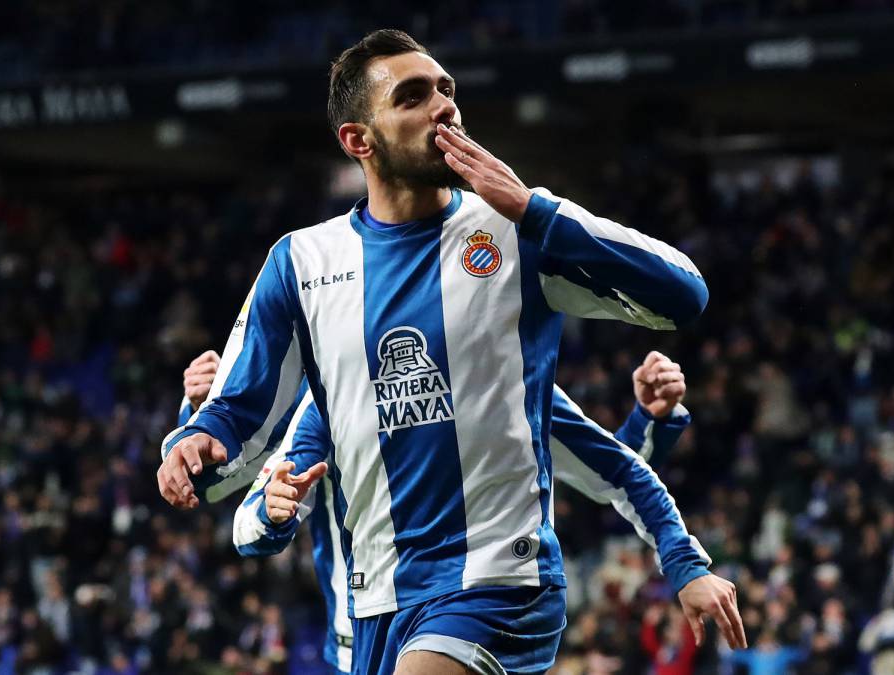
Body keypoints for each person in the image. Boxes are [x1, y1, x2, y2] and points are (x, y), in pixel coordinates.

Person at [158, 29, 743, 673]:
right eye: (412, 97)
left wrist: (532, 208)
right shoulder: (301, 264)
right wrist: (192, 440)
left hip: (498, 585)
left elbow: (682, 294)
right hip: (373, 610)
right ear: (359, 140)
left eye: (446, 90)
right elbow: (233, 429)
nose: (443, 107)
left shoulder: (515, 231)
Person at [180, 349, 700, 674]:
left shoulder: (504, 371)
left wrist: (647, 427)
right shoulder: (326, 396)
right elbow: (222, 496)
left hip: (476, 618)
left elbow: (610, 469)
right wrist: (208, 417)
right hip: (360, 641)